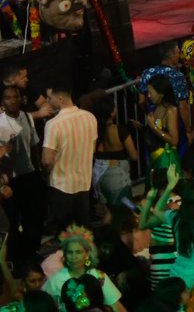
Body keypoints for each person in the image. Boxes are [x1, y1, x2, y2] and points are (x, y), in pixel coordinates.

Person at [41, 83, 97, 234]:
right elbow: (92, 148)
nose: (46, 101)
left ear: (60, 98)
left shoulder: (53, 124)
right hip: (84, 182)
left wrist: (45, 173)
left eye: (49, 98)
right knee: (85, 230)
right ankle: (89, 257)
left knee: (66, 233)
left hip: (61, 185)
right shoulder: (90, 117)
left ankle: (71, 257)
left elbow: (47, 160)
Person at [0, 84, 43, 260]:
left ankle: (30, 253)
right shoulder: (0, 122)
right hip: (10, 179)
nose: (12, 101)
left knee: (32, 217)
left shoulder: (27, 117)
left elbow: (34, 144)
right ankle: (16, 258)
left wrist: (38, 168)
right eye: (8, 98)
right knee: (12, 221)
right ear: (3, 101)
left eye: (15, 97)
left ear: (20, 99)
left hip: (29, 175)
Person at [42, 227, 124, 312]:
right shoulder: (55, 280)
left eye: (78, 252)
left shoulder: (98, 276)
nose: (74, 257)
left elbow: (117, 307)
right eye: (70, 252)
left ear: (87, 254)